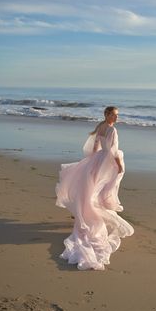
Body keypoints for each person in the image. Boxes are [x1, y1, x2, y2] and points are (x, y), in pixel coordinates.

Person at [55, 106, 134, 270]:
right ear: (107, 115)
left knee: (92, 188)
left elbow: (95, 145)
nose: (116, 118)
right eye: (114, 115)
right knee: (103, 188)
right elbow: (112, 150)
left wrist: (92, 159)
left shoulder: (100, 126)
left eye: (117, 115)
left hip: (98, 159)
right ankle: (97, 211)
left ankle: (87, 211)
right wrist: (119, 165)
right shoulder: (112, 130)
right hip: (107, 161)